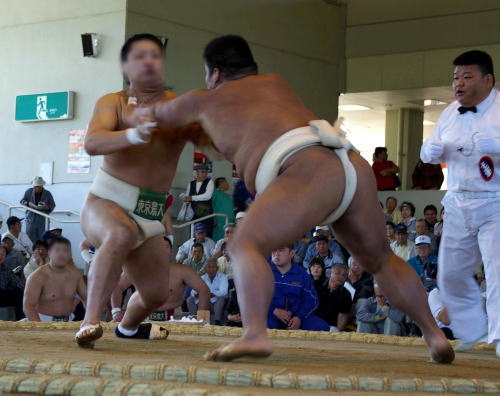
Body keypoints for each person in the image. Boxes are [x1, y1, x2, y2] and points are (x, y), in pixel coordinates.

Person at [143, 34, 454, 362]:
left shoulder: (205, 99)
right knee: (381, 261)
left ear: (215, 74)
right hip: (348, 162)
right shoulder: (275, 83)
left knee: (244, 245)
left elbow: (156, 115)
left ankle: (254, 334)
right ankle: (434, 335)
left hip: (306, 169)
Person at [75, 33, 209, 347]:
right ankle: (89, 321)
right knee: (119, 234)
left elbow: (214, 143)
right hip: (105, 202)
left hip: (149, 213)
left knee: (155, 294)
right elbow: (92, 143)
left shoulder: (179, 109)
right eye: (139, 56)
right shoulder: (114, 103)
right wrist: (133, 135)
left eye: (154, 55)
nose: (148, 61)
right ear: (126, 66)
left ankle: (128, 327)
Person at [420, 50, 500, 357]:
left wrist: (498, 147)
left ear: (487, 79)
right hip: (456, 199)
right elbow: (434, 149)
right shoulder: (450, 112)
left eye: (467, 76)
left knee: (496, 271)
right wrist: (428, 151)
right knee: (450, 274)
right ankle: (470, 331)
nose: (459, 84)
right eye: (456, 77)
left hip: (495, 200)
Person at [111, 238, 211, 323]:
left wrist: (201, 316)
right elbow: (117, 286)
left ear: (171, 251)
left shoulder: (183, 270)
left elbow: (204, 290)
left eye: (166, 247)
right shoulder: (138, 269)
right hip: (141, 316)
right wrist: (116, 311)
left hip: (174, 318)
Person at [23, 238, 86, 322]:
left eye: (66, 251)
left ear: (70, 254)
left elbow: (86, 298)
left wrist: (89, 319)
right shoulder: (37, 277)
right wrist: (39, 328)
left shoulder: (75, 274)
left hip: (68, 321)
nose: (62, 254)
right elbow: (28, 306)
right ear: (49, 253)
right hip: (43, 321)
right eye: (57, 250)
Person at [267, 246, 329, 331]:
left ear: (292, 253)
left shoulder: (302, 275)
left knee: (322, 327)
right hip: (269, 314)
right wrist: (273, 310)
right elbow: (252, 295)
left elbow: (312, 299)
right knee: (266, 326)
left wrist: (298, 317)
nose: (276, 254)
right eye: (274, 250)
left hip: (294, 317)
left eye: (281, 250)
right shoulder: (263, 269)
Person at [187, 258, 228, 325]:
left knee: (221, 298)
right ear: (205, 269)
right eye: (209, 267)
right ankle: (194, 320)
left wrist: (210, 293)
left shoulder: (223, 277)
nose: (211, 269)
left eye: (213, 267)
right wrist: (196, 294)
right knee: (190, 299)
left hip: (214, 303)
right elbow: (193, 292)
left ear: (217, 268)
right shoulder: (202, 278)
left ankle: (217, 322)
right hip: (203, 302)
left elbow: (224, 292)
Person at [315, 264, 352, 332]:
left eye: (344, 275)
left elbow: (342, 319)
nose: (341, 277)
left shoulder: (346, 295)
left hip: (330, 327)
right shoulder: (316, 285)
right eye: (337, 273)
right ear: (330, 274)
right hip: (312, 321)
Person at [20, 176, 56, 243]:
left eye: (38, 186)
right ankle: (31, 253)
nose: (36, 188)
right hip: (30, 219)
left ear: (42, 186)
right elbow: (22, 201)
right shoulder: (28, 191)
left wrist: (46, 207)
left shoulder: (47, 193)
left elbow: (52, 205)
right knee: (29, 240)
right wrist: (28, 203)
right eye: (35, 186)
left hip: (43, 220)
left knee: (43, 239)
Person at [185, 164, 215, 237]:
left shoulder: (210, 182)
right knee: (193, 236)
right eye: (202, 172)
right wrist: (186, 201)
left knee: (206, 236)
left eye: (206, 172)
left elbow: (207, 196)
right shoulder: (191, 183)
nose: (205, 174)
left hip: (206, 216)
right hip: (193, 216)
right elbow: (187, 197)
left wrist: (192, 198)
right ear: (197, 172)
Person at [0, 246, 24, 320]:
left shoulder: (6, 269)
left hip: (2, 296)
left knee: (18, 292)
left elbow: (18, 284)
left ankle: (20, 321)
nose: (0, 256)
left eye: (3, 254)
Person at [212, 177, 236, 242]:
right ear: (222, 183)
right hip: (219, 222)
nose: (228, 184)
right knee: (220, 241)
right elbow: (212, 206)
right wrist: (213, 219)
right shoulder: (215, 193)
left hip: (230, 222)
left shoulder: (226, 196)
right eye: (226, 182)